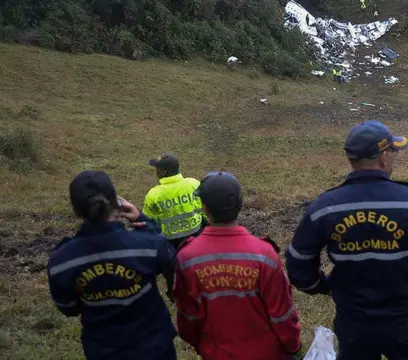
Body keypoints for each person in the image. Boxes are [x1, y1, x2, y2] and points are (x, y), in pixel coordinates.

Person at [286, 120, 408, 360]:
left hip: (354, 322)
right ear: (383, 157)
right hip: (407, 320)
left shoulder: (325, 207)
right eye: (394, 151)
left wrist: (324, 286)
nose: (395, 157)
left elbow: (298, 263)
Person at [47, 170, 177, 360]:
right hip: (155, 347)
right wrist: (143, 220)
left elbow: (68, 307)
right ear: (116, 203)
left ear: (76, 210)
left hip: (103, 351)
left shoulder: (62, 261)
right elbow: (169, 259)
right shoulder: (147, 245)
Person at [173, 171, 302, 360]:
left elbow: (187, 318)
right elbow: (282, 314)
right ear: (240, 205)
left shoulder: (187, 258)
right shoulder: (264, 254)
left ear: (205, 208)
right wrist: (293, 346)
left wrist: (202, 346)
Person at [143, 152, 204, 250]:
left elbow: (150, 223)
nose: (156, 172)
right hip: (196, 237)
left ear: (163, 172)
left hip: (170, 244)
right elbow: (205, 211)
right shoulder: (194, 184)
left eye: (157, 169)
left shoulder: (154, 195)